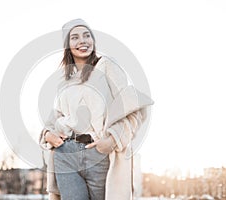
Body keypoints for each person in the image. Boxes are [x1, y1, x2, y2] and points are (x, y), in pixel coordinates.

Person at [39, 19, 153, 200]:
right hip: (65, 154)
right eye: (74, 37)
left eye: (87, 35)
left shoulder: (107, 66)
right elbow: (57, 117)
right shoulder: (65, 80)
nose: (82, 41)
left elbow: (134, 110)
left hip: (98, 153)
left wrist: (112, 139)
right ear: (67, 45)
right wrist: (47, 134)